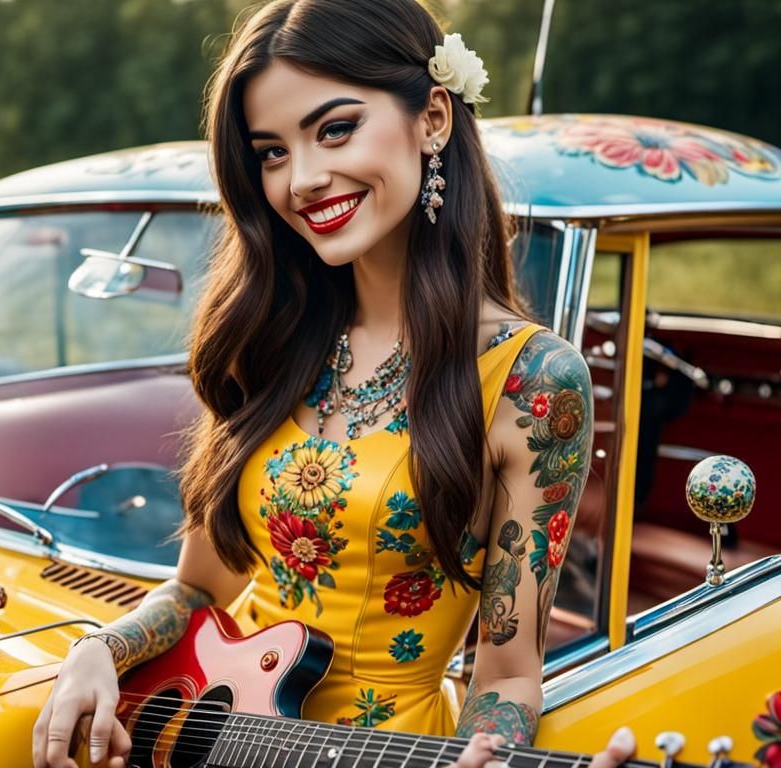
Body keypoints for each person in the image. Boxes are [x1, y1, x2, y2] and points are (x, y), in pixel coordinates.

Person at [34, 1, 635, 767]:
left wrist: (492, 757)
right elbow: (197, 591)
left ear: (434, 119)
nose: (304, 179)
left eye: (335, 129)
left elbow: (509, 674)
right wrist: (101, 649)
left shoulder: (534, 381)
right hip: (212, 731)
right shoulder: (270, 336)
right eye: (272, 152)